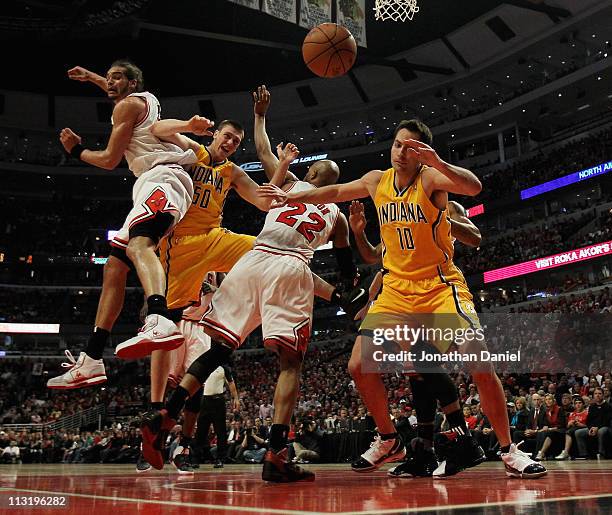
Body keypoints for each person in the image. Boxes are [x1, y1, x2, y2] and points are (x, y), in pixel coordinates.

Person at [258, 118, 546, 479]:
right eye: (397, 144)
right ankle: (389, 437)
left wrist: (438, 161)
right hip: (396, 289)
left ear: (421, 153)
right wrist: (291, 195)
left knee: (480, 364)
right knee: (359, 367)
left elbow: (473, 187)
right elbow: (332, 193)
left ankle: (508, 450)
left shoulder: (431, 179)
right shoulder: (376, 181)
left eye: (410, 148)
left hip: (439, 287)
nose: (400, 152)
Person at [140, 141, 359, 483]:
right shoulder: (338, 216)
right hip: (291, 269)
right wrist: (349, 289)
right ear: (330, 184)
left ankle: (165, 416)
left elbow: (263, 151)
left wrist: (261, 120)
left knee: (218, 350)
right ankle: (276, 455)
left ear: (310, 174)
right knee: (290, 363)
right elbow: (346, 268)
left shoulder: (287, 184)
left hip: (252, 260)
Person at [47, 61, 202, 388]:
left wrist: (76, 151)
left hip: (163, 179)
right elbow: (116, 89)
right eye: (110, 77)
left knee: (139, 244)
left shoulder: (128, 106)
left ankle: (159, 316)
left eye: (118, 77)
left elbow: (108, 159)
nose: (111, 82)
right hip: (156, 181)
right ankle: (92, 359)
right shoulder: (141, 101)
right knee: (114, 267)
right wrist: (91, 77)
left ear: (133, 82)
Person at [575, 387, 611, 459]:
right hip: (593, 427)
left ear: (603, 395)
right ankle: (584, 454)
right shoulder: (592, 407)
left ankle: (601, 453)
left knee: (601, 431)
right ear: (593, 395)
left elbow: (607, 421)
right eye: (596, 393)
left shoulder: (608, 406)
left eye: (599, 394)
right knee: (578, 432)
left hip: (605, 427)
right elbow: (588, 421)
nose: (597, 395)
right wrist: (591, 428)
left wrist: (597, 428)